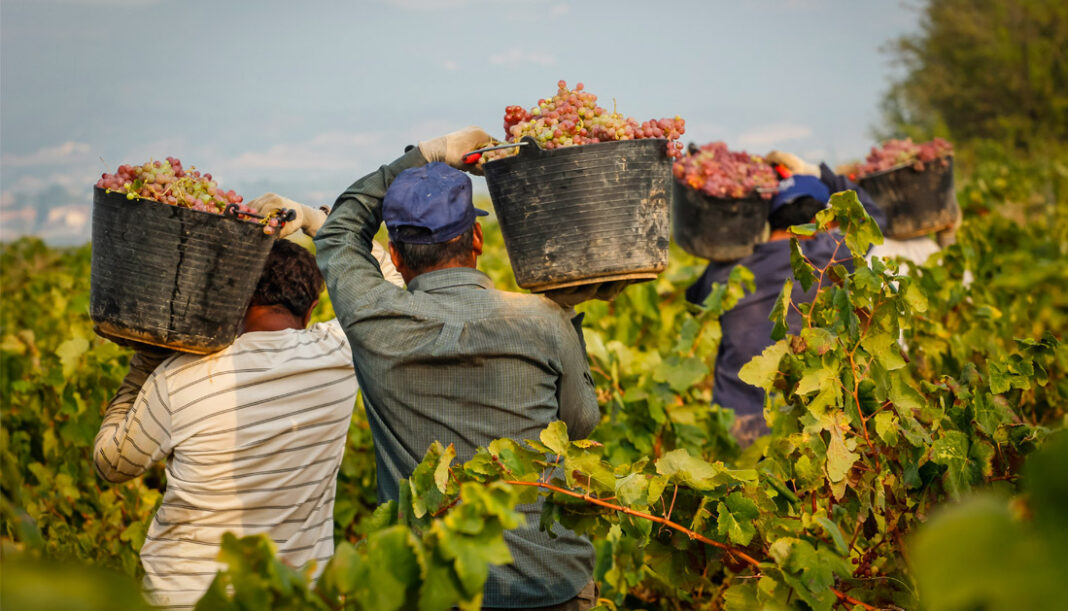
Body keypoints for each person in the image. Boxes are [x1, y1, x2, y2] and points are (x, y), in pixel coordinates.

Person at [301, 126, 601, 610]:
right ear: (478, 237)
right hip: (549, 585)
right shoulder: (543, 319)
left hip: (432, 591)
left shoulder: (372, 320)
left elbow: (338, 230)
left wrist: (427, 154)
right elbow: (582, 424)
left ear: (394, 256)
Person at [93, 227, 402, 609]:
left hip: (185, 598)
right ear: (310, 309)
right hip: (292, 596)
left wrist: (145, 365)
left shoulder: (178, 377)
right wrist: (317, 221)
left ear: (233, 300)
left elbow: (111, 464)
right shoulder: (339, 352)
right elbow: (391, 289)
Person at [685, 151, 887, 446]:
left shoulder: (728, 267)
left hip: (735, 423)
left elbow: (694, 302)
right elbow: (875, 218)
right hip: (801, 420)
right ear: (821, 222)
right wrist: (819, 173)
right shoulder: (826, 255)